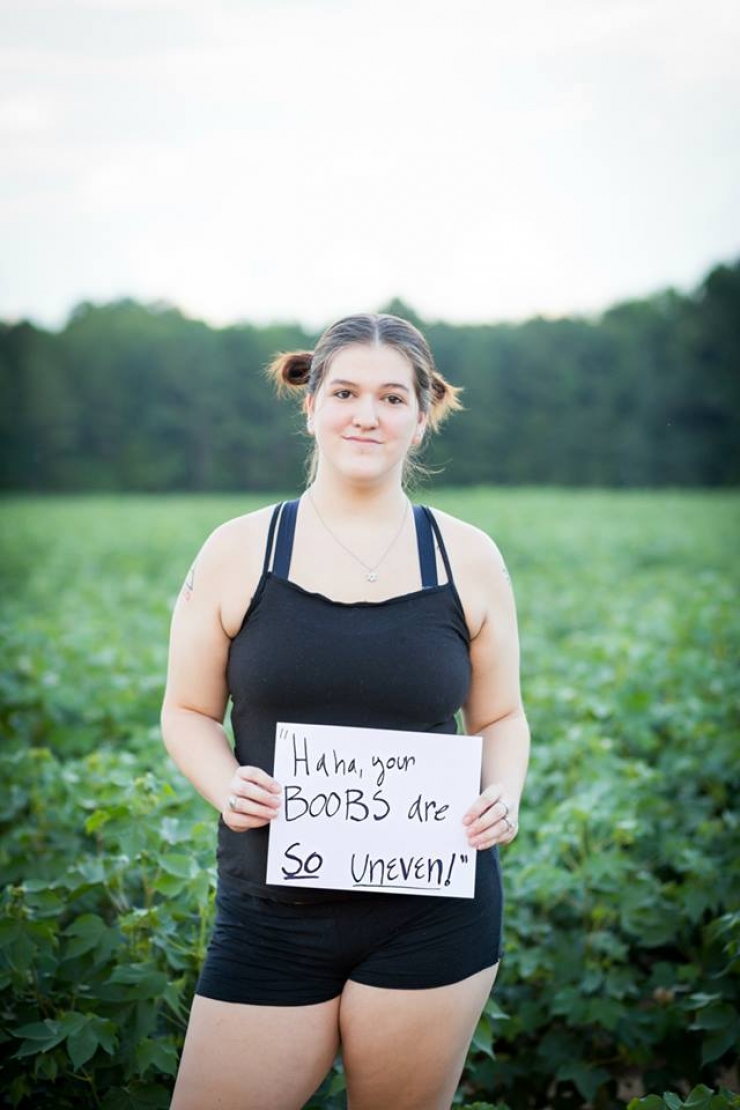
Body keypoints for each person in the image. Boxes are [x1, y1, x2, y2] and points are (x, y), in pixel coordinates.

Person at [161, 312, 530, 1110]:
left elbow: (501, 717)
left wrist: (505, 791)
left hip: (433, 913)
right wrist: (224, 784)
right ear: (311, 406)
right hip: (272, 911)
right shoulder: (237, 550)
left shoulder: (468, 557)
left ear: (422, 417)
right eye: (346, 393)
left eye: (393, 398)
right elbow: (186, 711)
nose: (368, 414)